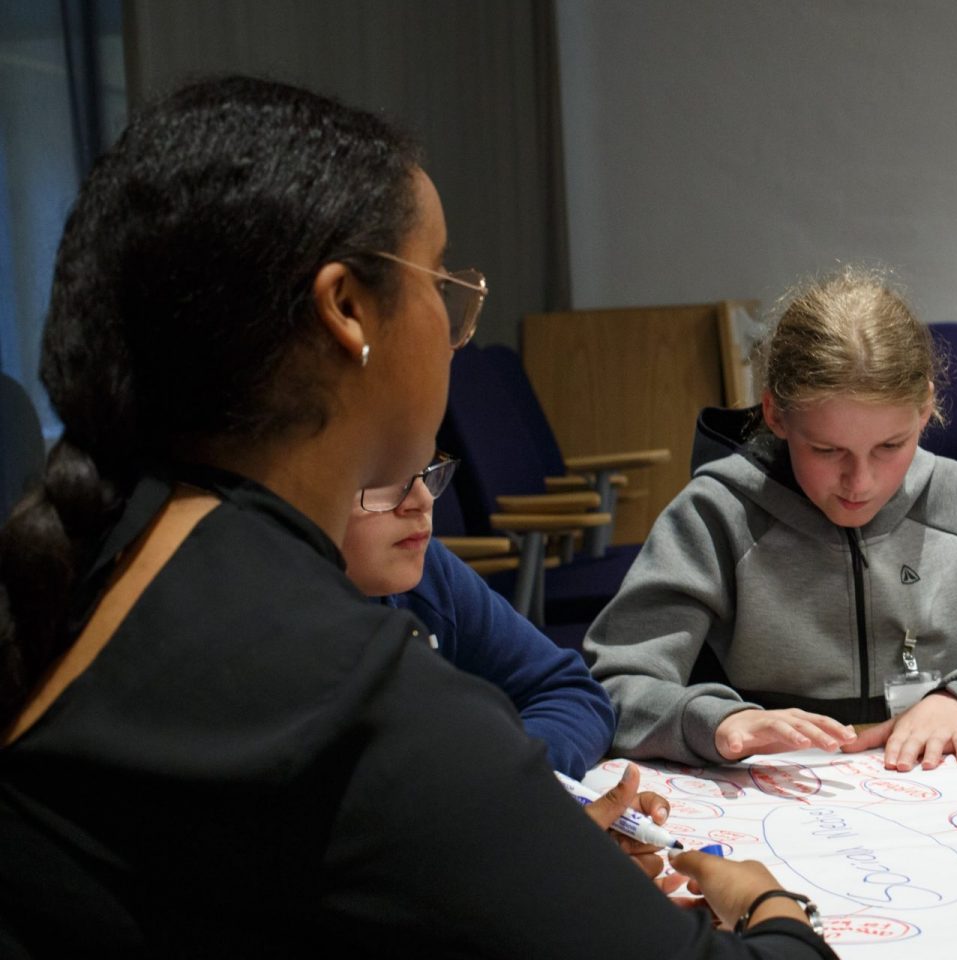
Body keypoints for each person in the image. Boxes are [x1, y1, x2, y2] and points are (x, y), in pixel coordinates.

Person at [0, 75, 834, 958]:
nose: (453, 321)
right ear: (347, 310)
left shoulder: (121, 555)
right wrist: (769, 906)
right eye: (439, 278)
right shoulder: (334, 685)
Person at [585, 266, 957, 771]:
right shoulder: (716, 513)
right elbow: (614, 687)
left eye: (890, 446)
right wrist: (719, 721)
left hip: (941, 795)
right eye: (828, 450)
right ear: (775, 415)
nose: (861, 482)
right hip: (781, 797)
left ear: (925, 408)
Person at [341, 451, 615, 778]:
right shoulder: (278, 631)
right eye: (384, 478)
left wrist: (508, 778)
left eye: (425, 469)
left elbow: (571, 691)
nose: (423, 499)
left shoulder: (428, 572)